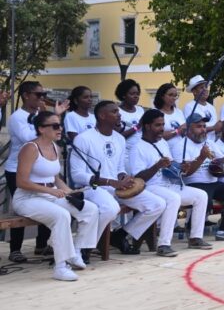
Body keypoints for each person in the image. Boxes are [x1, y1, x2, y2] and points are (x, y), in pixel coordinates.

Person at [70, 101, 168, 256]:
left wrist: (124, 178)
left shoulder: (120, 139)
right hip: (93, 188)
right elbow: (77, 175)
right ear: (102, 116)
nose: (119, 114)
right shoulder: (83, 139)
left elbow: (119, 168)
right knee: (111, 208)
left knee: (157, 204)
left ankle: (120, 236)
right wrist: (110, 182)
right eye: (114, 112)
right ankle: (84, 247)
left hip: (116, 187)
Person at [13, 111, 99, 281]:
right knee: (61, 216)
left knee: (90, 209)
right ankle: (60, 267)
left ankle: (75, 251)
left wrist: (69, 191)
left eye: (60, 125)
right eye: (55, 125)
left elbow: (55, 178)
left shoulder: (55, 147)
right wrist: (51, 191)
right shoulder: (30, 148)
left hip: (48, 196)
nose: (60, 129)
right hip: (27, 198)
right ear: (41, 129)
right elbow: (21, 182)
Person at [127, 109, 213, 252]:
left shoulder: (163, 143)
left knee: (201, 195)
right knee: (173, 199)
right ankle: (164, 244)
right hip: (150, 187)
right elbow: (139, 178)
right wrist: (157, 166)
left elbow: (171, 168)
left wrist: (182, 167)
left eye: (163, 124)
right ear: (147, 126)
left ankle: (195, 238)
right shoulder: (137, 148)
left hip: (168, 184)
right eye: (158, 125)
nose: (162, 129)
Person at [5, 81, 68, 263]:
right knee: (22, 210)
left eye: (43, 94)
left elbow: (51, 136)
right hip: (17, 167)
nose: (42, 98)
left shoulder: (41, 115)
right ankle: (15, 248)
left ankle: (41, 244)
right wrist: (52, 118)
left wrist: (52, 119)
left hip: (42, 165)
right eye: (38, 95)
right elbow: (29, 138)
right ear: (26, 95)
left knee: (49, 202)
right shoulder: (18, 117)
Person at [170, 114, 224, 241]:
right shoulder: (180, 146)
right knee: (206, 198)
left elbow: (220, 160)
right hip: (194, 183)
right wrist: (201, 158)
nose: (203, 129)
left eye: (204, 126)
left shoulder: (209, 142)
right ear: (188, 129)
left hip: (213, 181)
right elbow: (184, 173)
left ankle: (222, 230)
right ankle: (191, 229)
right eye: (199, 127)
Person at [183, 75, 221, 141]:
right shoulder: (189, 107)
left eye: (206, 87)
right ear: (194, 92)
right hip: (199, 143)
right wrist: (214, 127)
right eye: (201, 87)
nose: (205, 90)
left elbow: (215, 127)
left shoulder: (211, 107)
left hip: (212, 143)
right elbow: (192, 128)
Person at [154, 83, 186, 149]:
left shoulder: (179, 112)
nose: (174, 98)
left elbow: (184, 132)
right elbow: (156, 136)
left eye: (175, 96)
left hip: (180, 151)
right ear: (162, 96)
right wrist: (177, 131)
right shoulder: (155, 113)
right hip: (164, 152)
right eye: (170, 95)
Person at [115, 78, 145, 151]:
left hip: (141, 151)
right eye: (132, 94)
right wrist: (137, 127)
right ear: (123, 95)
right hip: (126, 154)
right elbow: (118, 137)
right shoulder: (117, 112)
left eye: (137, 94)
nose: (136, 96)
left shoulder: (140, 110)